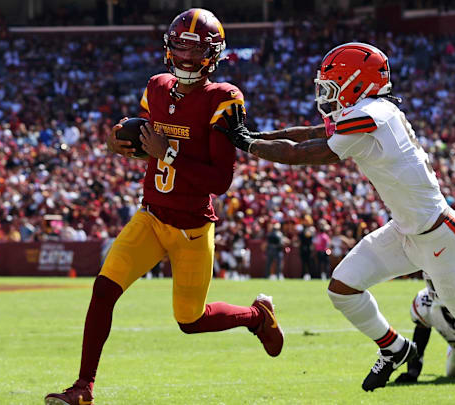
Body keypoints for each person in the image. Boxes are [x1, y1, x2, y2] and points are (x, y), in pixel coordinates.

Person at [216, 42, 455, 404]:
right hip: (406, 232)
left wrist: (248, 144)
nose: (326, 92)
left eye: (333, 83)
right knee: (342, 288)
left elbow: (308, 153)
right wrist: (256, 136)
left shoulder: (374, 113)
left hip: (440, 236)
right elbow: (315, 132)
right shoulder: (371, 111)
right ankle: (394, 348)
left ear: (357, 81)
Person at [45, 9, 283, 405]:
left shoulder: (224, 98)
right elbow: (145, 145)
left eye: (195, 49)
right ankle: (83, 387)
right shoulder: (156, 86)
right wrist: (118, 144)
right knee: (103, 290)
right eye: (180, 47)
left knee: (190, 320)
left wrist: (168, 154)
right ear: (168, 48)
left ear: (213, 54)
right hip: (151, 216)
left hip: (192, 228)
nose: (186, 57)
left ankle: (257, 316)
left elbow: (219, 181)